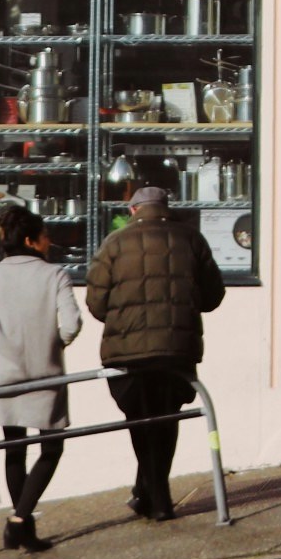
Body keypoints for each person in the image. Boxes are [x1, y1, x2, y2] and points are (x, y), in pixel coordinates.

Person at [83, 180, 224, 521]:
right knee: (166, 420)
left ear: (133, 210)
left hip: (128, 350)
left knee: (140, 421)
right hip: (177, 348)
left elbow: (96, 302)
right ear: (167, 209)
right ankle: (147, 493)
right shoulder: (190, 238)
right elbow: (213, 295)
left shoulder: (113, 243)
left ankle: (158, 500)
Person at [0, 202, 83, 553]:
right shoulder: (55, 275)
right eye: (46, 236)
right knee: (52, 447)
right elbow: (72, 325)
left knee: (14, 451)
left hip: (4, 375)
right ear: (33, 240)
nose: (49, 242)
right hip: (44, 374)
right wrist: (51, 345)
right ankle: (20, 521)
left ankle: (22, 525)